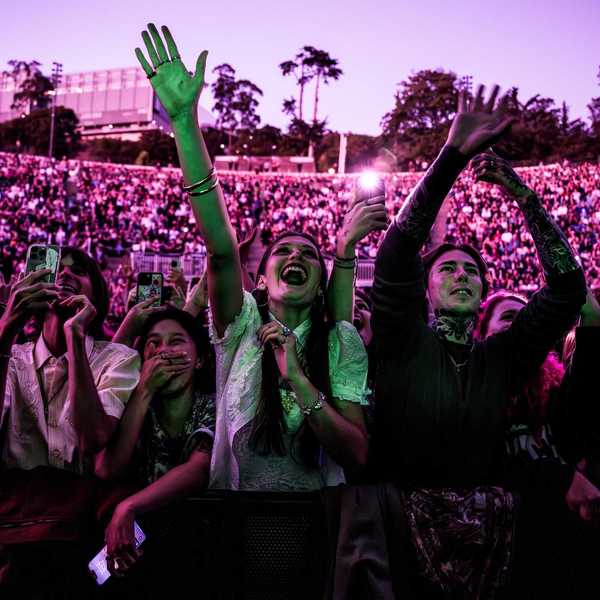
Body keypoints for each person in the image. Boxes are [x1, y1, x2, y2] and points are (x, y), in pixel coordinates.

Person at [365, 87, 588, 597]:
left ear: (484, 289)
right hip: (400, 547)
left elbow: (568, 288)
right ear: (427, 288)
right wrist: (452, 156)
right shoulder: (403, 340)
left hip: (495, 549)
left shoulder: (502, 356)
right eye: (448, 267)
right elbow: (398, 250)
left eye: (472, 269)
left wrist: (525, 196)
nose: (462, 274)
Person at [135, 24, 369, 491]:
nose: (295, 256)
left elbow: (358, 454)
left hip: (317, 537)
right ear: (259, 280)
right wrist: (184, 123)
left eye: (309, 254)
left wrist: (299, 380)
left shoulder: (341, 343)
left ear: (321, 284)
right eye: (283, 251)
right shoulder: (240, 325)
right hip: (234, 529)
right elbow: (221, 247)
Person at [0, 247, 140, 594]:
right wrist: (7, 327)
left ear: (96, 293)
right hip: (13, 537)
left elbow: (92, 437)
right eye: (54, 269)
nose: (64, 275)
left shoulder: (118, 359)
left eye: (79, 271)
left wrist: (75, 337)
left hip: (78, 540)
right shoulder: (11, 358)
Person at [95, 308, 215, 579]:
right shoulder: (136, 406)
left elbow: (199, 469)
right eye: (154, 343)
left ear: (199, 359)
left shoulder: (211, 404)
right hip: (141, 552)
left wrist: (128, 506)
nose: (164, 352)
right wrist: (144, 390)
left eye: (176, 342)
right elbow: (107, 469)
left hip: (198, 545)